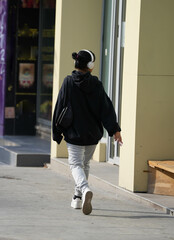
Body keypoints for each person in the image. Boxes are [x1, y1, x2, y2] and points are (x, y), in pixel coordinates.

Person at [52, 49, 123, 215]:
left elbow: (59, 106)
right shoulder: (96, 84)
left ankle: (84, 190)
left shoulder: (68, 82)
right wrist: (115, 130)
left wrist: (57, 132)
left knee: (75, 164)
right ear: (90, 66)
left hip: (74, 133)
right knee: (85, 164)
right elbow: (106, 108)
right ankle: (77, 198)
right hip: (92, 134)